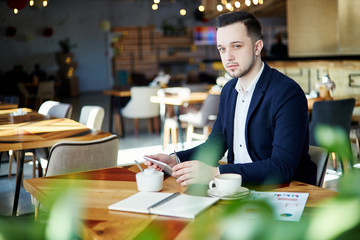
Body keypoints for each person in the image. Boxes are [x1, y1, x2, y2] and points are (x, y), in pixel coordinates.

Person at [145, 11, 316, 187]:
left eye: (236, 46)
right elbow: (216, 145)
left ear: (257, 47)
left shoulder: (287, 93)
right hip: (236, 189)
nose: (228, 57)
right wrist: (176, 159)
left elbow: (282, 167)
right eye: (222, 48)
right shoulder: (228, 90)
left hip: (283, 191)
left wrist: (216, 173)